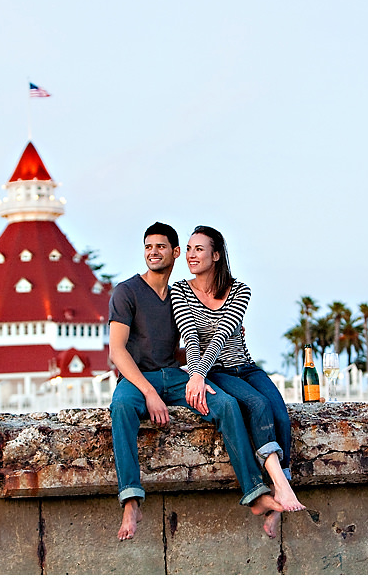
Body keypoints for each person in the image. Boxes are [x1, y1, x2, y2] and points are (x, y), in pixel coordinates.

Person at [108, 222, 283, 541]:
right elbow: (117, 351)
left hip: (175, 375)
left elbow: (190, 339)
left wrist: (204, 366)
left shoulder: (178, 295)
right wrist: (148, 392)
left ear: (174, 252)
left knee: (226, 404)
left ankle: (255, 492)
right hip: (137, 379)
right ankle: (131, 500)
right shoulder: (127, 291)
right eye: (148, 246)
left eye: (160, 246)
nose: (153, 252)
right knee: (120, 408)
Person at [170, 225, 305, 539]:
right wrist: (198, 374)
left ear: (216, 255)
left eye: (199, 249)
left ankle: (276, 503)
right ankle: (283, 490)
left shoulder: (240, 289)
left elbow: (222, 335)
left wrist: (196, 374)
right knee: (256, 405)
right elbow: (191, 337)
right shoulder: (180, 290)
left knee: (281, 416)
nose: (191, 255)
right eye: (189, 249)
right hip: (216, 372)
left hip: (245, 366)